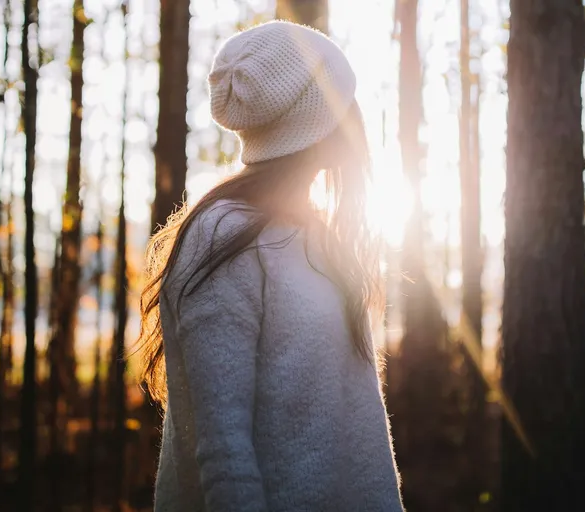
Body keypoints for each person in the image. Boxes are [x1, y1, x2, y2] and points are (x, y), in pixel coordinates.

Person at [137, 20, 404, 511]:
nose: (358, 113)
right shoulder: (222, 238)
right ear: (317, 121)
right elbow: (223, 453)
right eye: (345, 99)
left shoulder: (319, 237)